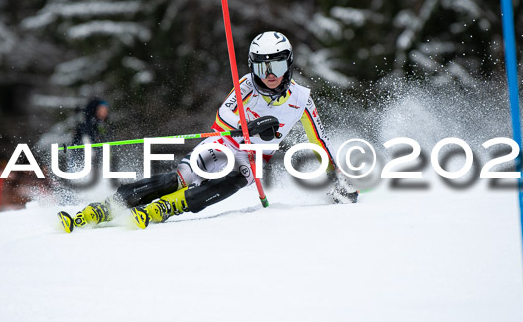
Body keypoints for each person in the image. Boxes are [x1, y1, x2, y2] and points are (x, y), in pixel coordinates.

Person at [59, 31, 357, 233]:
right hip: (223, 142)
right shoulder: (245, 87)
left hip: (251, 160)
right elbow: (222, 120)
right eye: (262, 67)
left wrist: (339, 177)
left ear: (289, 65)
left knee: (239, 177)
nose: (269, 76)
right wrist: (249, 127)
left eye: (276, 66)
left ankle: (167, 207)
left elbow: (320, 142)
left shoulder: (301, 100)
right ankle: (106, 207)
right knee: (179, 178)